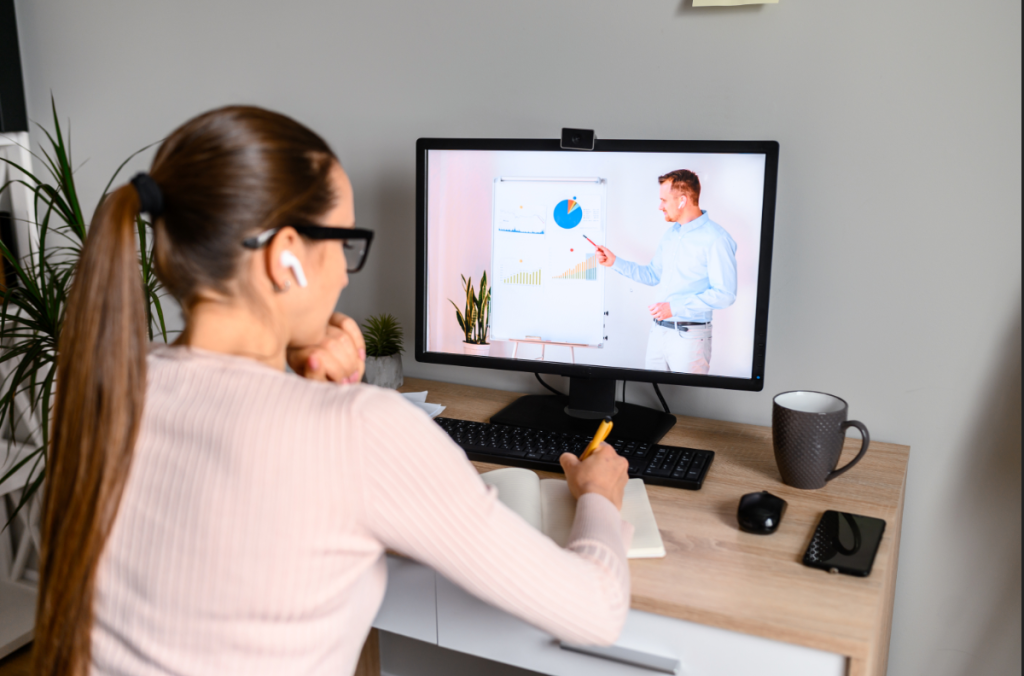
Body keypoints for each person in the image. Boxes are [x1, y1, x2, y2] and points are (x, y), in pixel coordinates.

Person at [34, 106, 632, 676]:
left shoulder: (101, 385)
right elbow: (597, 611)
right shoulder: (359, 431)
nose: (346, 271)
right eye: (343, 243)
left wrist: (311, 387)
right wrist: (599, 497)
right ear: (286, 257)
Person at [595, 170, 737, 374]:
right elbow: (653, 275)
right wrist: (615, 262)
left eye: (663, 200)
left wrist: (675, 307)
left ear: (682, 200)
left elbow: (725, 294)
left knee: (685, 394)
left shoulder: (717, 239)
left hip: (690, 337)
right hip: (658, 333)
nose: (660, 206)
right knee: (651, 390)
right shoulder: (671, 235)